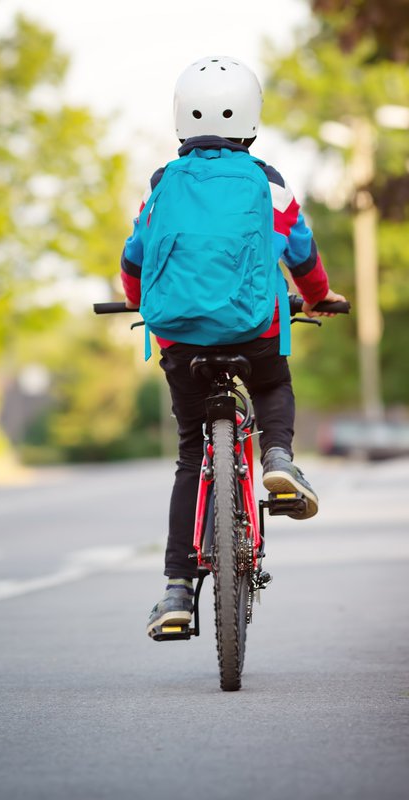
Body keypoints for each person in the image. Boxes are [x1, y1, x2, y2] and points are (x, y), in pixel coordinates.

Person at [118, 56, 347, 640]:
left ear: (180, 120)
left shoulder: (162, 185)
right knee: (272, 382)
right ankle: (277, 461)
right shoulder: (267, 183)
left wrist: (140, 302)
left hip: (179, 339)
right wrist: (316, 297)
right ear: (252, 118)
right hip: (254, 328)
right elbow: (301, 250)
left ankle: (175, 590)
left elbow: (133, 259)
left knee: (192, 452)